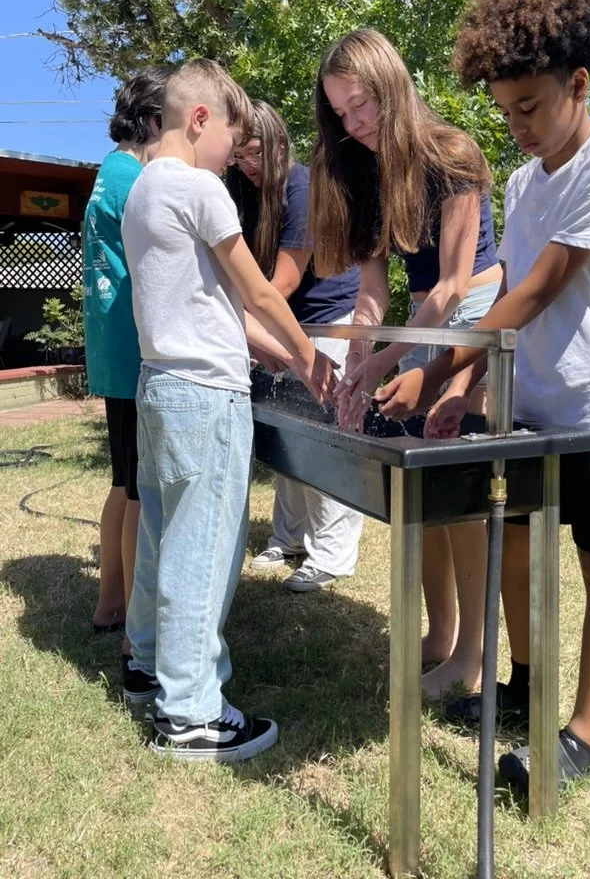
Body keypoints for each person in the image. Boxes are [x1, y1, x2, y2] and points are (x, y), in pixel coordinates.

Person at [375, 0, 590, 793]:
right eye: (505, 112)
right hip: (533, 400)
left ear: (580, 83)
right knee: (514, 545)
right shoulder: (520, 179)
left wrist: (434, 374)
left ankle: (581, 736)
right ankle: (527, 686)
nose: (518, 127)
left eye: (531, 107)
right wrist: (467, 384)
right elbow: (505, 285)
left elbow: (542, 290)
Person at [121, 58, 337, 762]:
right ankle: (190, 714)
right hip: (205, 398)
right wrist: (310, 360)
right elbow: (260, 294)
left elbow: (198, 300)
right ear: (200, 119)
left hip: (160, 385)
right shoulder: (199, 189)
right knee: (204, 551)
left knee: (163, 533)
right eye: (230, 141)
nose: (233, 158)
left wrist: (269, 352)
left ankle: (146, 666)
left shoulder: (144, 191)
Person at [310, 28, 503, 699]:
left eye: (361, 104)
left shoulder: (454, 153)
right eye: (340, 113)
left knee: (460, 494)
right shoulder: (362, 171)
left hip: (474, 322)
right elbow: (370, 292)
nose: (353, 123)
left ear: (391, 85)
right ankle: (441, 635)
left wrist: (393, 357)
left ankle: (474, 659)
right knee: (421, 495)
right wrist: (360, 362)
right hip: (417, 322)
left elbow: (453, 285)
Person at [226, 100, 363, 592]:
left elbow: (279, 284)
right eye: (239, 156)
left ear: (280, 144)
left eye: (255, 153)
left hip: (327, 323)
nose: (247, 166)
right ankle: (289, 538)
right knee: (287, 434)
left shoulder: (302, 188)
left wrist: (235, 317)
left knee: (323, 436)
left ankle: (331, 553)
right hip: (281, 324)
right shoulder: (243, 190)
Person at [82, 67, 169, 647]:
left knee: (122, 480)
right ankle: (135, 611)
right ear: (156, 122)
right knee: (139, 486)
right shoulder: (134, 182)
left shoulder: (105, 175)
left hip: (111, 352)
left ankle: (109, 599)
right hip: (133, 350)